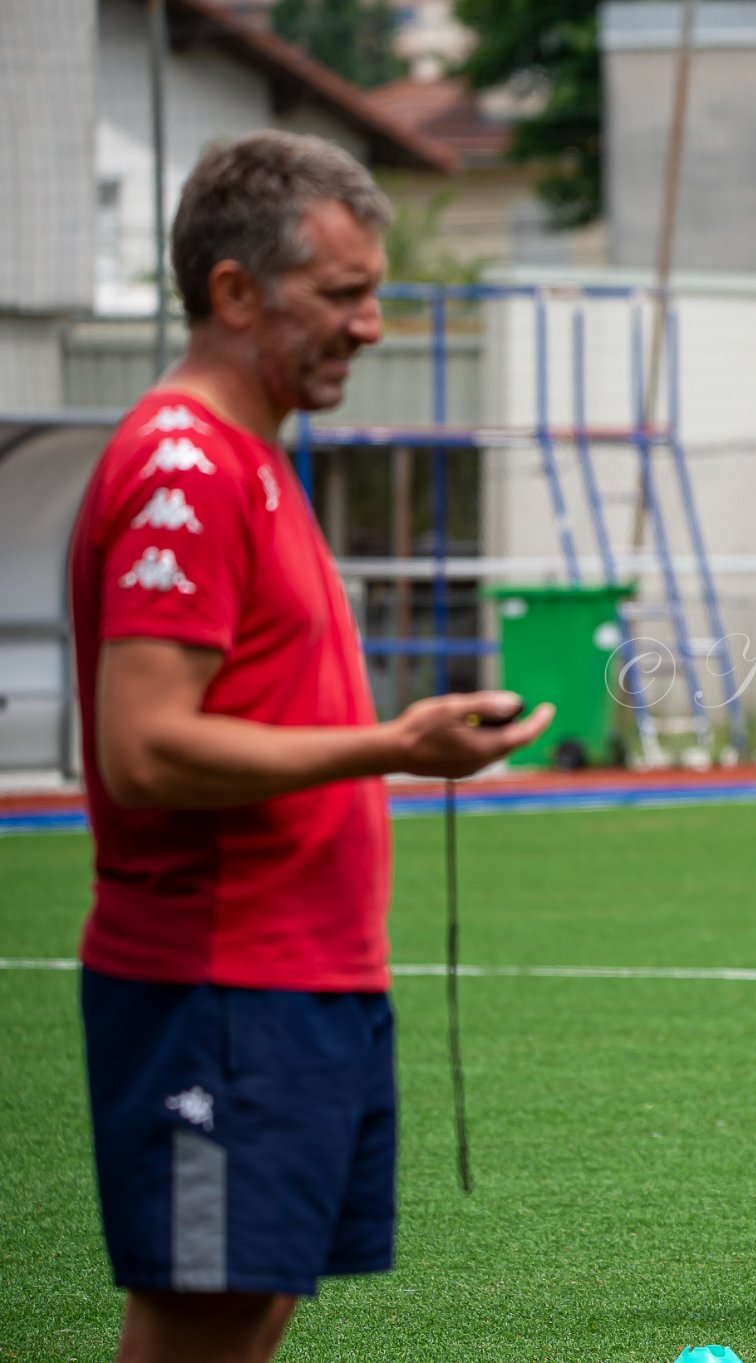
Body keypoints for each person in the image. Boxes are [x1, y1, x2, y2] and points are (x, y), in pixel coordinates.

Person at [67, 131, 553, 1363]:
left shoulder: (256, 460)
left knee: (250, 1307)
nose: (373, 325)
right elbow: (144, 749)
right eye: (343, 294)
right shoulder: (185, 465)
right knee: (201, 1318)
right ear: (234, 291)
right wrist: (391, 743)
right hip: (215, 995)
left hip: (301, 989)